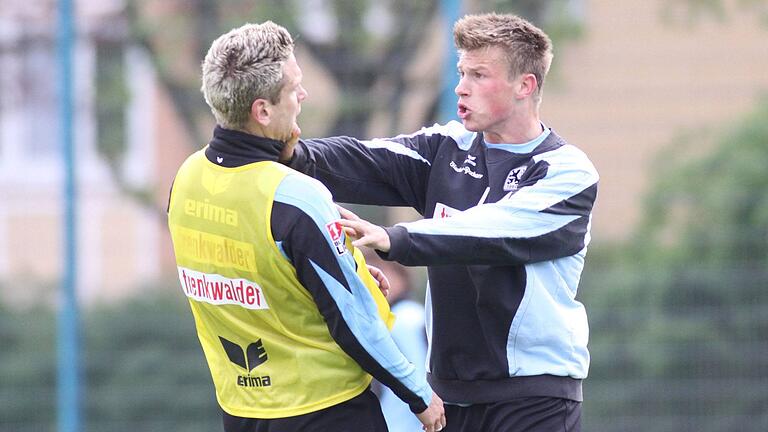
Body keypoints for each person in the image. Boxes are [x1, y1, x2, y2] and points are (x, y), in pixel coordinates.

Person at [285, 12, 598, 432]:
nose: (461, 87)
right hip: (449, 398)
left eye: (479, 75)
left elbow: (491, 231)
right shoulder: (447, 147)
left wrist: (396, 237)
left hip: (533, 399)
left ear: (525, 85)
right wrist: (280, 153)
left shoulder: (567, 173)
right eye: (461, 72)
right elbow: (364, 157)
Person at [166, 21, 445, 432]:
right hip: (324, 411)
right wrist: (417, 393)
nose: (303, 95)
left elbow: (239, 272)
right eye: (293, 87)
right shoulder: (294, 195)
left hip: (242, 409)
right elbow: (352, 319)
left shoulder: (186, 179)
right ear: (262, 111)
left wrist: (339, 267)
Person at [366, 253, 428, 432]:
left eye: (384, 271)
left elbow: (421, 377)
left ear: (401, 277)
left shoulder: (404, 318)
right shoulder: (410, 315)